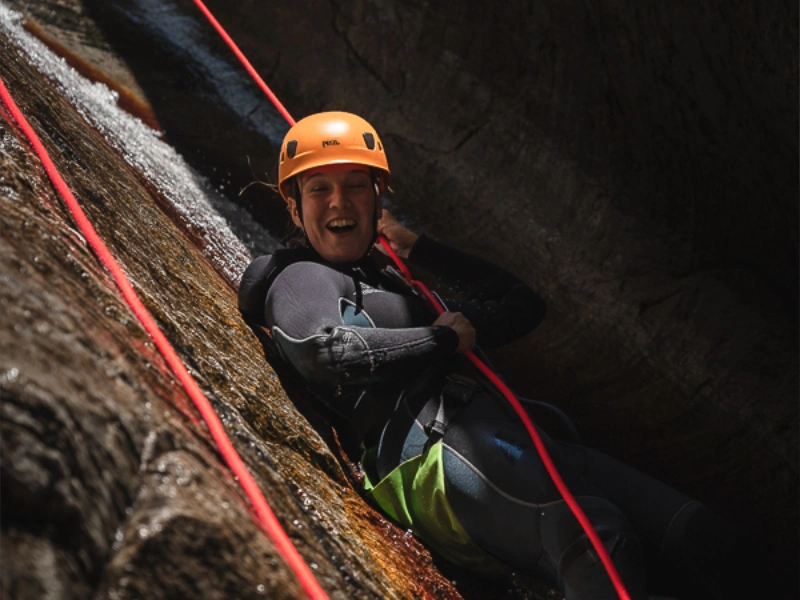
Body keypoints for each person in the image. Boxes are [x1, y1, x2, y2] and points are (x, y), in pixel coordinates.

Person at [238, 112, 748, 600]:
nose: (337, 202)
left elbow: (520, 305)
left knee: (706, 541)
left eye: (354, 184)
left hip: (519, 439)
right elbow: (326, 353)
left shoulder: (402, 292)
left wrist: (417, 248)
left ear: (378, 196)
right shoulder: (298, 277)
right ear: (293, 206)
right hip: (435, 452)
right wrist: (440, 341)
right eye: (318, 188)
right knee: (597, 541)